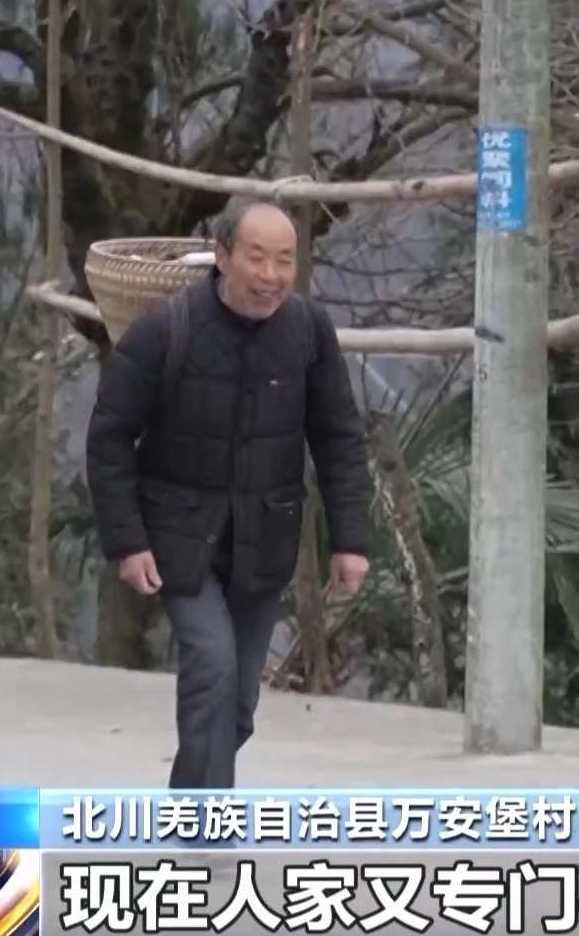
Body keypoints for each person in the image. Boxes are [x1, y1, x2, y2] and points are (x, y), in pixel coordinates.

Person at [87, 199, 373, 791]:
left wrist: (350, 539)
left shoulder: (308, 331)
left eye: (285, 260)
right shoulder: (165, 330)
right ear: (221, 257)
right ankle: (208, 824)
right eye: (256, 258)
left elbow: (338, 436)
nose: (271, 275)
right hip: (179, 536)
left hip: (264, 538)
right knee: (212, 671)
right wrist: (128, 542)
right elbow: (109, 437)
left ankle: (188, 805)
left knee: (238, 705)